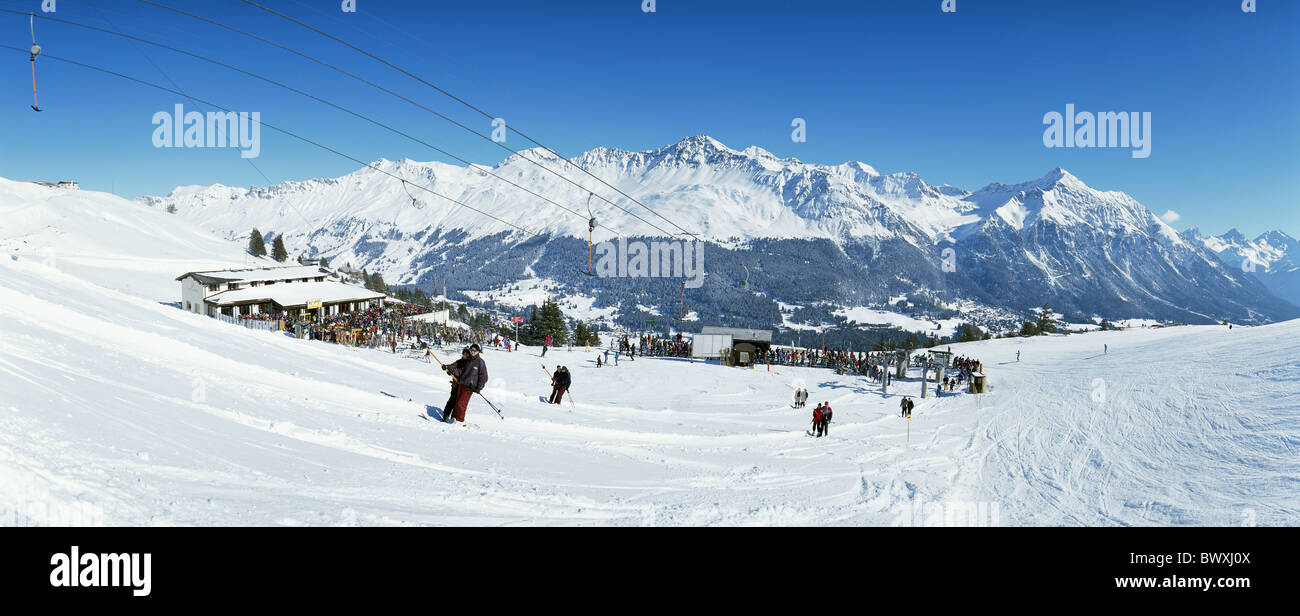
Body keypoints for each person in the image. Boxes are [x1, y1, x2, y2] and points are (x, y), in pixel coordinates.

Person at [441, 344, 488, 424]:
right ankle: (451, 417)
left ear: (477, 351)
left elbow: (483, 376)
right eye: (471, 350)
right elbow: (459, 370)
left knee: (461, 403)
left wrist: (479, 387)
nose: (471, 352)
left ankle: (458, 420)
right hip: (460, 384)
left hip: (469, 386)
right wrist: (449, 370)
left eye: (474, 351)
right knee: (455, 401)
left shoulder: (480, 362)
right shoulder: (467, 361)